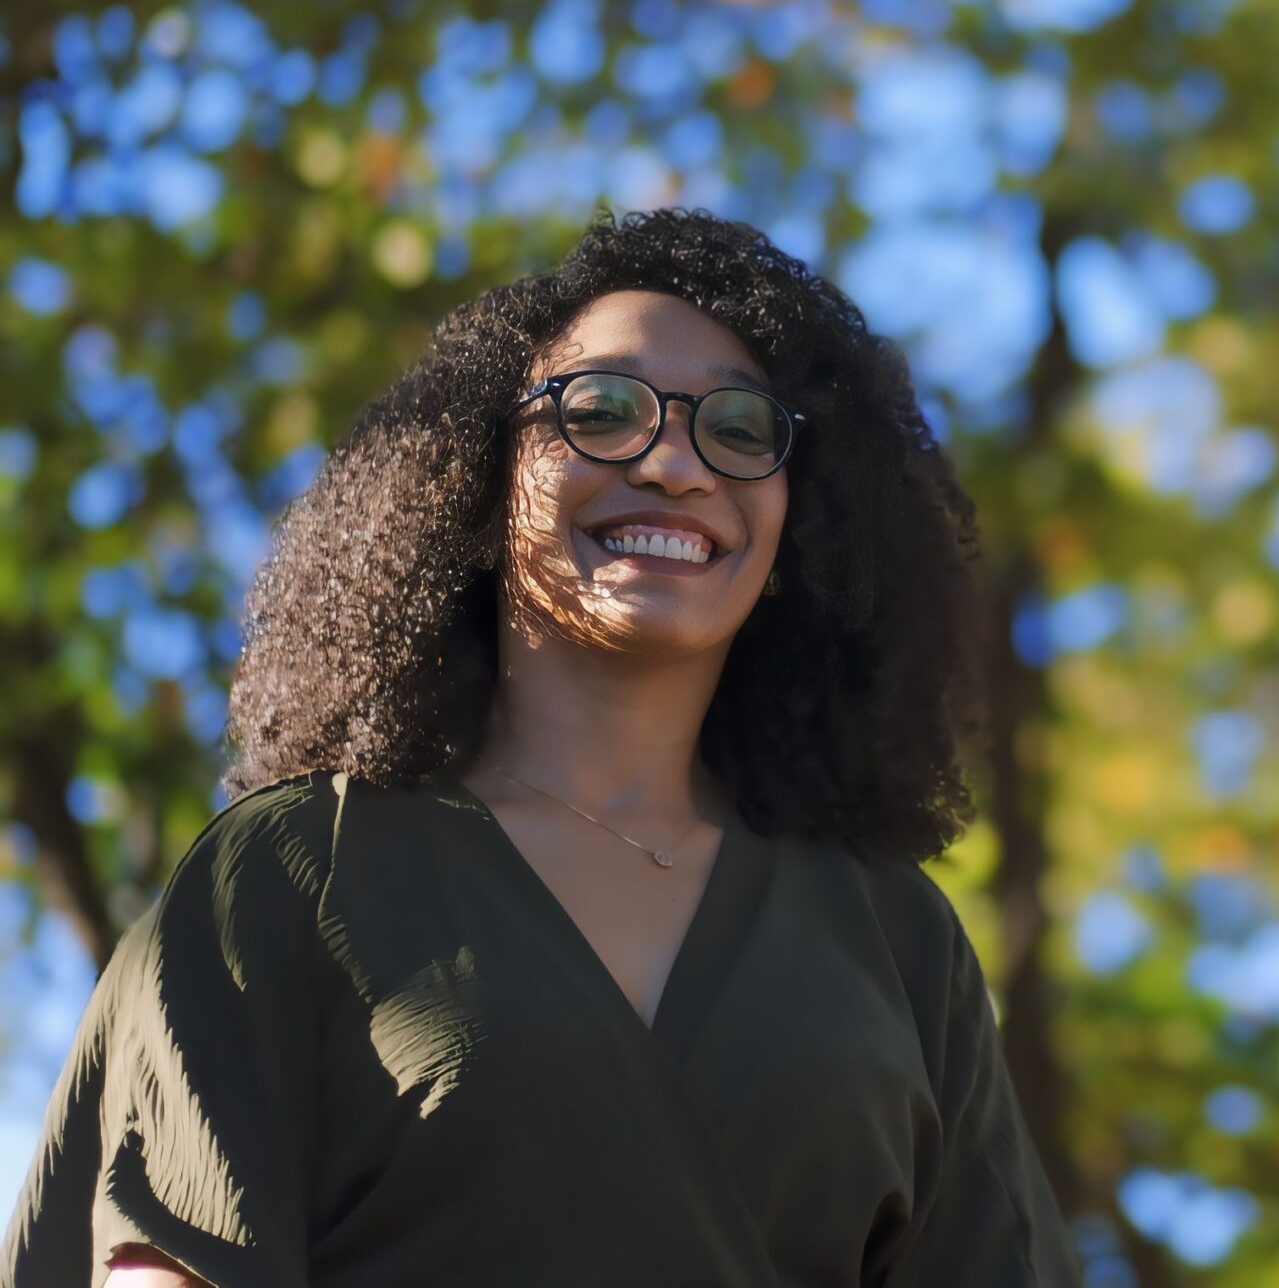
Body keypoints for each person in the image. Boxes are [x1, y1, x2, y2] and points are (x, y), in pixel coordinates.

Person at [2, 209, 1081, 1287]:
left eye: (741, 427)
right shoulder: (290, 874)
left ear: (800, 526)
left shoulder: (895, 938)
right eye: (601, 409)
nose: (670, 461)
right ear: (477, 482)